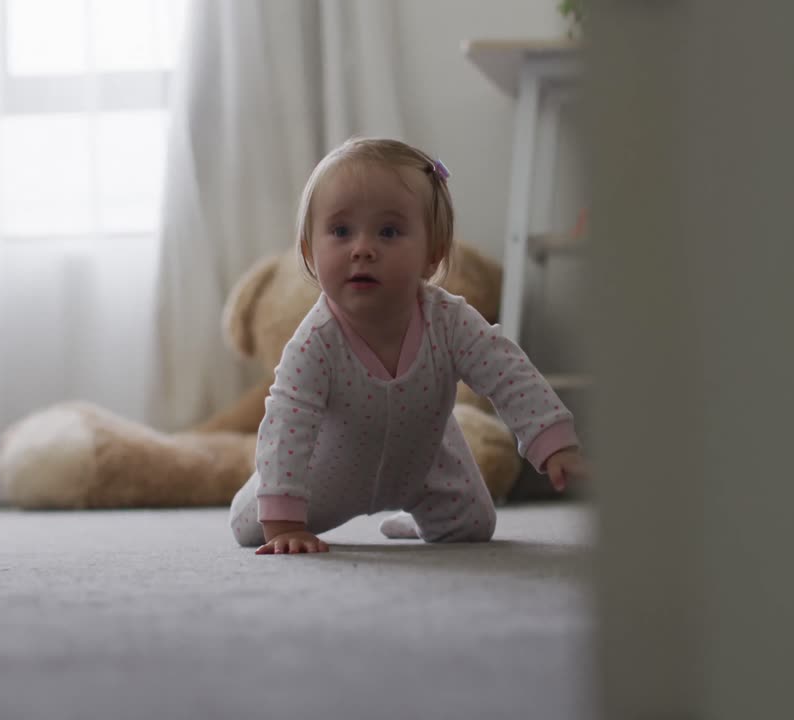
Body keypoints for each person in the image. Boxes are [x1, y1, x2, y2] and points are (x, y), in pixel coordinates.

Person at [228, 137, 586, 554]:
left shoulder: (450, 321)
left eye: (389, 231)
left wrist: (554, 443)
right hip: (327, 475)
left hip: (427, 462)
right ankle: (263, 493)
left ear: (432, 254)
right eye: (341, 231)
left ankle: (410, 519)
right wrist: (284, 521)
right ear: (309, 251)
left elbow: (509, 373)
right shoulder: (316, 342)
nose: (363, 248)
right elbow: (286, 423)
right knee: (250, 526)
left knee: (474, 526)